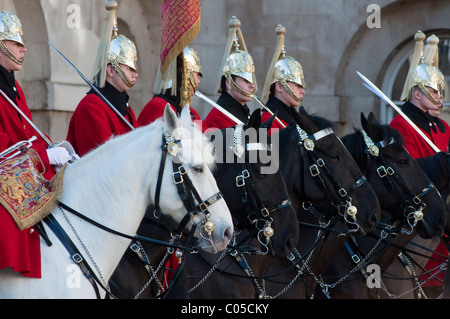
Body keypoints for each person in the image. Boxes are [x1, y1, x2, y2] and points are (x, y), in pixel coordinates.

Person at [0, 11, 71, 278]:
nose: (23, 47)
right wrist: (43, 155)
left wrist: (52, 150)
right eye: (16, 42)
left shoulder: (14, 87)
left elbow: (30, 133)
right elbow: (5, 145)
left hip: (22, 168)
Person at [390, 31, 449, 291]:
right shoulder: (400, 125)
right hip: (418, 205)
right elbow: (407, 172)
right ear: (417, 93)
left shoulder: (444, 127)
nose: (440, 98)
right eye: (435, 92)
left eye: (441, 92)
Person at [66, 17, 138, 157]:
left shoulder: (126, 108)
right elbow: (102, 160)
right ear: (111, 71)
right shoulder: (92, 106)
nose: (135, 74)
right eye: (130, 69)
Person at [203, 16, 257, 130]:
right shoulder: (219, 117)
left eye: (251, 80)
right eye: (246, 80)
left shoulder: (244, 113)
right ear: (229, 83)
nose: (252, 85)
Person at [137, 46, 204, 131]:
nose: (198, 81)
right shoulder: (157, 107)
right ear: (186, 76)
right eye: (196, 75)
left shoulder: (193, 113)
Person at [260, 24, 305, 134]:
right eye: (298, 85)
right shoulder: (268, 120)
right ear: (279, 86)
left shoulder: (292, 117)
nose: (303, 91)